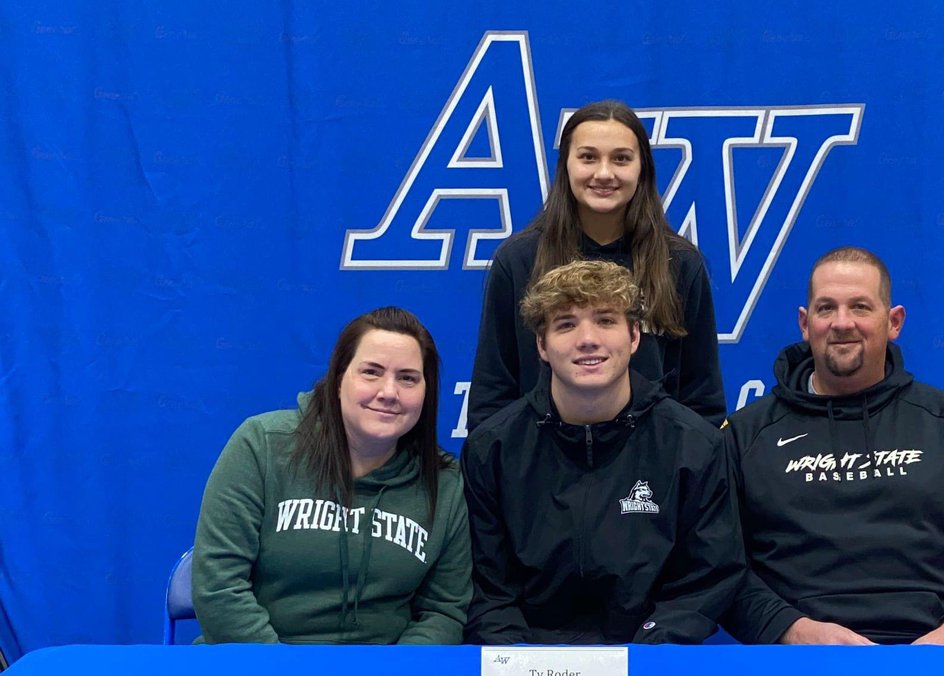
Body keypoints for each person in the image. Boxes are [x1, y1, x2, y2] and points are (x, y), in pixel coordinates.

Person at [723, 247, 944, 645]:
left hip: (939, 657)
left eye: (860, 307)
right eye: (826, 309)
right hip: (800, 665)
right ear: (805, 324)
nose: (842, 323)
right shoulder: (745, 435)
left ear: (894, 322)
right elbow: (717, 563)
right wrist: (792, 631)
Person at [462, 259, 743, 644]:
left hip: (651, 660)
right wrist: (522, 664)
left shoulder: (694, 445)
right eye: (566, 324)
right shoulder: (492, 448)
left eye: (605, 320)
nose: (587, 339)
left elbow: (706, 579)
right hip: (529, 668)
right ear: (542, 345)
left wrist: (643, 654)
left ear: (634, 337)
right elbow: (489, 590)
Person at [192, 307, 472, 644]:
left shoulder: (443, 481)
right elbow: (219, 587)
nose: (388, 392)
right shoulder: (262, 445)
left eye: (407, 378)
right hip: (259, 675)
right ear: (339, 379)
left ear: (426, 392)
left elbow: (444, 611)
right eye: (371, 372)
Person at [466, 99, 725, 431]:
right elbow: (492, 397)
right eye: (588, 157)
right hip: (540, 469)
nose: (604, 173)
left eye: (621, 158)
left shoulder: (679, 264)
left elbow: (702, 401)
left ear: (642, 168)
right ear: (566, 166)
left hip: (652, 471)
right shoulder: (518, 261)